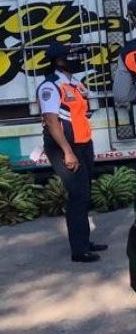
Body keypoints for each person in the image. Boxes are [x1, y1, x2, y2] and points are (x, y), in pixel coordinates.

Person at [37, 43, 103, 263]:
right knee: (77, 195)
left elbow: (82, 109)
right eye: (70, 56)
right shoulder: (50, 86)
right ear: (59, 61)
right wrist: (67, 152)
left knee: (85, 192)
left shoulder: (72, 82)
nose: (76, 59)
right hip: (64, 146)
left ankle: (84, 240)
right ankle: (79, 250)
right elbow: (51, 121)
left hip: (83, 143)